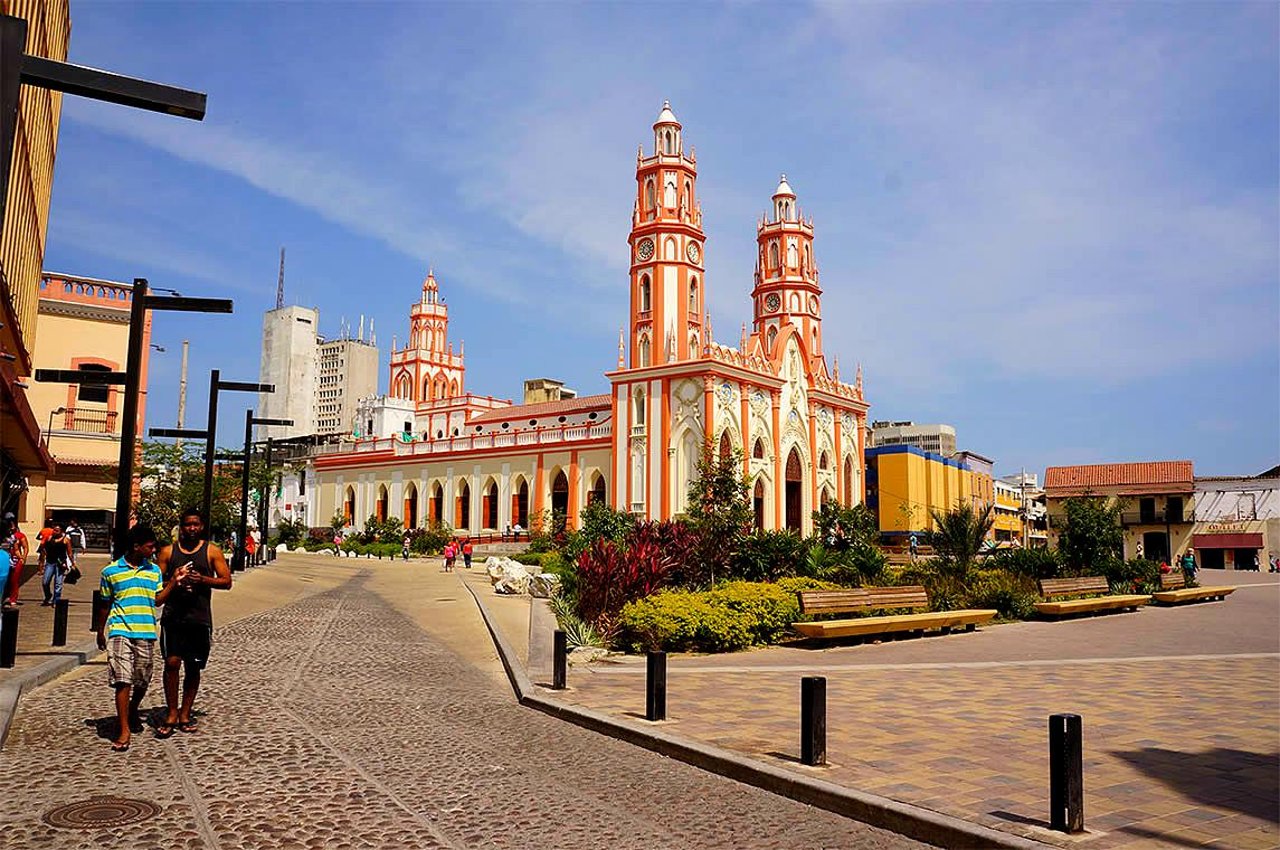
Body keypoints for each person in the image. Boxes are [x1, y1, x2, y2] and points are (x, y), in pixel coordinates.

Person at [97, 524, 182, 752]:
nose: (153, 550)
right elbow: (105, 604)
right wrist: (100, 631)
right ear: (136, 547)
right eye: (150, 547)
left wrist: (173, 581)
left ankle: (133, 708)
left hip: (145, 631)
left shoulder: (153, 571)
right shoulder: (111, 572)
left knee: (142, 678)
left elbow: (157, 600)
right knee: (122, 679)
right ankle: (123, 728)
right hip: (119, 630)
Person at [155, 508, 232, 738]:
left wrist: (203, 579)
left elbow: (226, 581)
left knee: (193, 666)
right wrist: (174, 580)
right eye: (188, 524)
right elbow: (156, 584)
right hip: (173, 617)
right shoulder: (168, 552)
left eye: (195, 524)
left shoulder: (212, 551)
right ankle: (171, 712)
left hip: (199, 618)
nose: (191, 528)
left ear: (202, 526)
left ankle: (185, 713)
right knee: (171, 663)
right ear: (181, 526)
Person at [39, 524, 72, 606]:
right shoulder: (49, 538)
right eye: (54, 530)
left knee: (58, 583)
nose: (55, 532)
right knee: (45, 582)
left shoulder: (66, 540)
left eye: (57, 530)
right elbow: (42, 548)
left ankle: (56, 600)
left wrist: (72, 564)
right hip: (50, 562)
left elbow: (69, 553)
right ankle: (48, 595)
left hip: (60, 563)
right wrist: (42, 560)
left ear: (61, 531)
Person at [3, 516, 28, 607]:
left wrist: (23, 558)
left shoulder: (19, 536)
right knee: (4, 578)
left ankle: (13, 598)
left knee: (14, 580)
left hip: (15, 560)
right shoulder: (5, 536)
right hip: (5, 558)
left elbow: (24, 547)